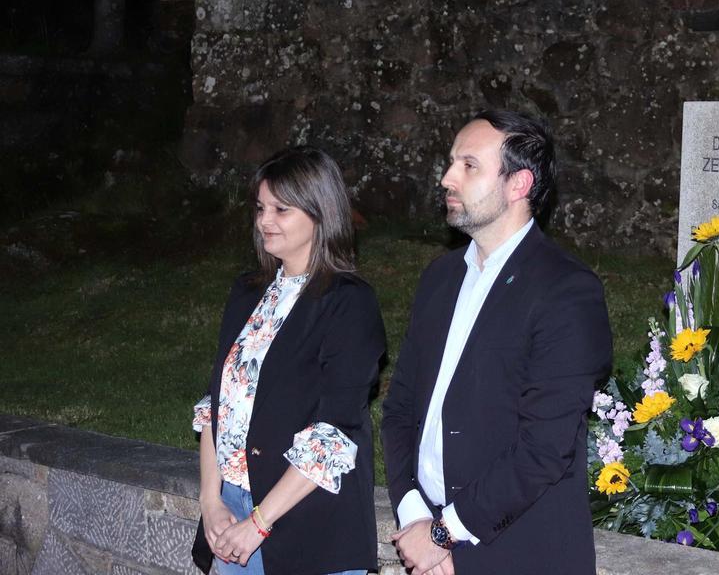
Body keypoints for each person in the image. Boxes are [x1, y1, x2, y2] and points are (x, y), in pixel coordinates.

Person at [381, 109, 612, 575]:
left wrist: (444, 533)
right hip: (424, 542)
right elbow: (401, 406)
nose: (447, 177)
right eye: (451, 163)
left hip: (517, 551)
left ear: (518, 185)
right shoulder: (440, 278)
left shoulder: (566, 291)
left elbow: (544, 449)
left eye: (469, 165)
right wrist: (414, 514)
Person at [190, 146, 386, 575]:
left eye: (281, 209)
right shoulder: (248, 292)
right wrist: (211, 501)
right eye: (260, 208)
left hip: (308, 525)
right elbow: (215, 406)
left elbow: (335, 434)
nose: (264, 221)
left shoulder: (349, 303)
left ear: (320, 213)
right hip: (231, 513)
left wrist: (259, 523)